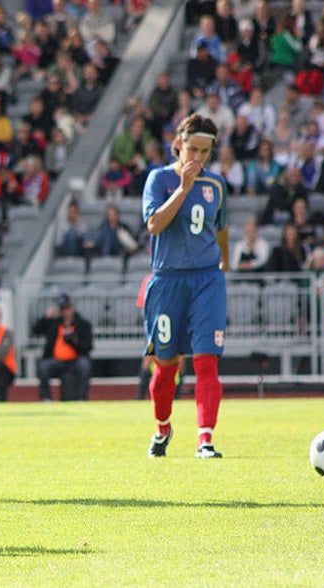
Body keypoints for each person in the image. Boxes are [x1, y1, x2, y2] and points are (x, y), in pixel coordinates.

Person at [141, 113, 230, 460]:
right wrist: (183, 189)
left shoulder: (217, 185)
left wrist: (223, 262)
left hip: (207, 280)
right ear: (178, 144)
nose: (198, 157)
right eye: (192, 149)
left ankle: (205, 439)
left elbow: (221, 225)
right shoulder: (159, 179)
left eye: (205, 152)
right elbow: (154, 225)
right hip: (168, 281)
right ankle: (163, 428)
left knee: (207, 361)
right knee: (166, 366)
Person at [32, 293, 93, 401]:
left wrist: (73, 342)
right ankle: (46, 398)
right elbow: (36, 330)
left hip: (75, 359)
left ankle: (82, 398)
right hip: (57, 360)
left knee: (84, 365)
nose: (66, 311)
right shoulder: (54, 323)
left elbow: (87, 347)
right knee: (43, 367)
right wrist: (46, 317)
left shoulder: (82, 324)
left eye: (67, 308)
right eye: (63, 309)